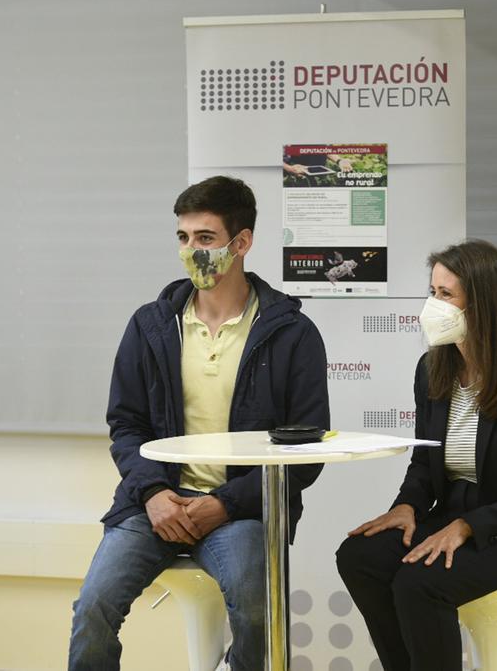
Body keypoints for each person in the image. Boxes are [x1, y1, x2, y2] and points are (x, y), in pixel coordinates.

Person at [68, 176, 329, 671]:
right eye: (184, 239)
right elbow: (126, 425)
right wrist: (153, 495)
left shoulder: (293, 333)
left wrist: (223, 504)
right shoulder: (150, 324)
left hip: (242, 511)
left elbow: (306, 449)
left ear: (242, 242)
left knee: (257, 613)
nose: (192, 251)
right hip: (154, 505)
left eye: (205, 239)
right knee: (92, 610)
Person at [335, 239, 497, 671]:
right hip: (458, 514)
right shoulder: (432, 369)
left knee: (418, 583)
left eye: (446, 295)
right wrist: (406, 506)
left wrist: (466, 526)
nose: (432, 305)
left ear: (483, 304)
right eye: (432, 292)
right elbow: (425, 462)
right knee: (360, 558)